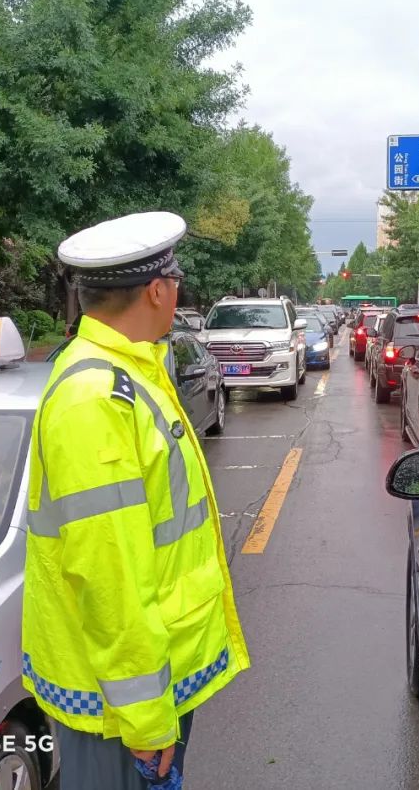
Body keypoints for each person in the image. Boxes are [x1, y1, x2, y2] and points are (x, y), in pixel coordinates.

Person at [21, 212, 249, 789]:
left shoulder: (129, 369)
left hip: (140, 686)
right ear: (156, 289)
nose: (176, 292)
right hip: (119, 709)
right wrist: (147, 719)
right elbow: (109, 575)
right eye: (175, 281)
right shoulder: (95, 398)